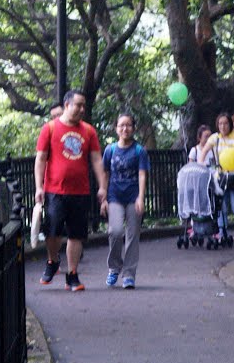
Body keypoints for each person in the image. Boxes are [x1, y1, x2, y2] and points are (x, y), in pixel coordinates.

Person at [34, 89, 107, 291]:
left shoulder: (89, 131)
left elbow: (96, 160)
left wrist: (102, 186)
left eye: (84, 105)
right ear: (67, 105)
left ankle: (72, 275)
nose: (82, 109)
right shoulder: (49, 129)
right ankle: (52, 261)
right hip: (55, 190)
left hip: (80, 191)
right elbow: (40, 159)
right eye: (79, 105)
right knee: (53, 230)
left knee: (76, 234)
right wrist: (38, 187)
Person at [102, 112, 149, 289]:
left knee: (132, 234)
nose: (125, 128)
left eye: (128, 125)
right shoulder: (110, 150)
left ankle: (129, 274)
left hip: (133, 196)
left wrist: (141, 198)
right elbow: (105, 174)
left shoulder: (139, 151)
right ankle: (114, 267)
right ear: (116, 129)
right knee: (115, 231)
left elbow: (142, 174)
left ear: (133, 128)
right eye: (121, 125)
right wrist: (103, 198)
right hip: (114, 195)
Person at [198, 111, 234, 244]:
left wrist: (231, 164)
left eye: (225, 123)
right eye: (220, 123)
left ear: (230, 124)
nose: (223, 126)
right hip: (220, 177)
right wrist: (201, 164)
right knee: (222, 208)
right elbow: (204, 151)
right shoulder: (215, 138)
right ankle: (222, 232)